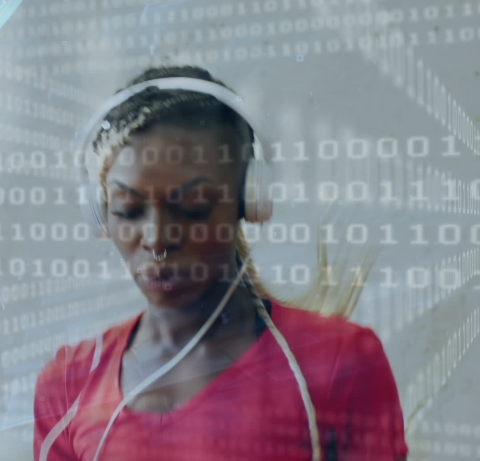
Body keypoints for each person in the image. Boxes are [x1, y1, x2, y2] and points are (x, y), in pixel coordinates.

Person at [33, 66, 408, 461]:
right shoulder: (69, 384)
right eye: (128, 209)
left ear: (249, 200)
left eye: (193, 208)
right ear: (100, 215)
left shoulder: (338, 363)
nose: (157, 238)